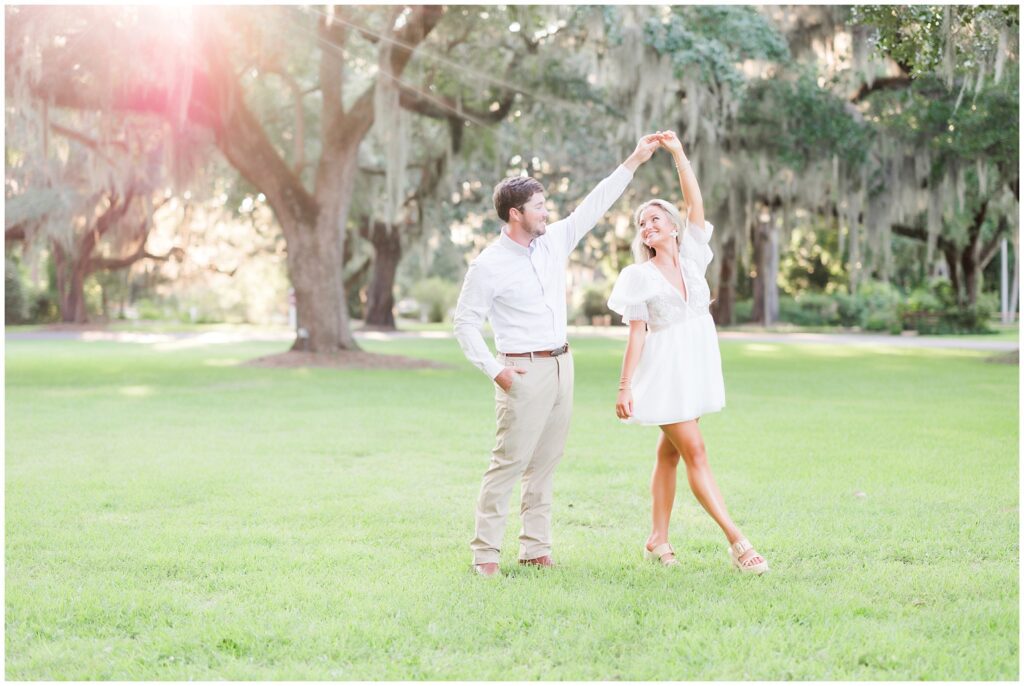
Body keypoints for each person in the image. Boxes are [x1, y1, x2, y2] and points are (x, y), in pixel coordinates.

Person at [453, 134, 662, 577]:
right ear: (516, 214)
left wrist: (636, 159)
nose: (548, 212)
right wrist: (497, 371)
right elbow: (465, 324)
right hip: (522, 370)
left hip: (562, 365)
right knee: (508, 463)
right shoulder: (488, 265)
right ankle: (485, 555)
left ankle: (535, 548)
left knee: (546, 463)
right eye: (540, 207)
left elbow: (596, 201)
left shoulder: (554, 242)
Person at [607, 130, 769, 575]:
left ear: (674, 227)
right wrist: (625, 386)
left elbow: (694, 201)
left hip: (696, 365)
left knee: (671, 453)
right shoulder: (638, 276)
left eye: (656, 218)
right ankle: (738, 542)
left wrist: (678, 154)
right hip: (663, 370)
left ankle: (657, 539)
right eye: (642, 223)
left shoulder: (694, 256)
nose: (648, 225)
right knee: (695, 452)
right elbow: (637, 333)